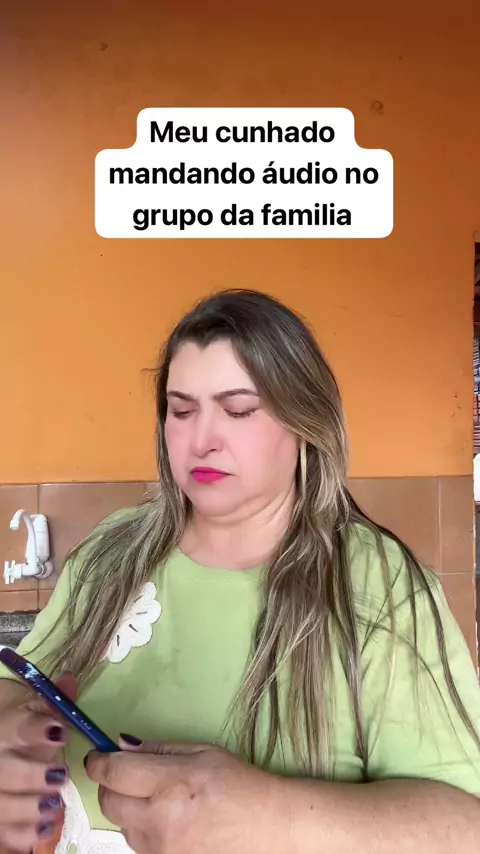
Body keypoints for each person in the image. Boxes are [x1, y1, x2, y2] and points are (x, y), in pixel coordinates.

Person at [0, 288, 479, 854]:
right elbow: (18, 684)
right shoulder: (111, 554)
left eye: (239, 410)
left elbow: (464, 829)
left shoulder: (381, 585)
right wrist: (10, 735)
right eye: (182, 411)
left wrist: (271, 815)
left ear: (304, 420)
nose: (202, 441)